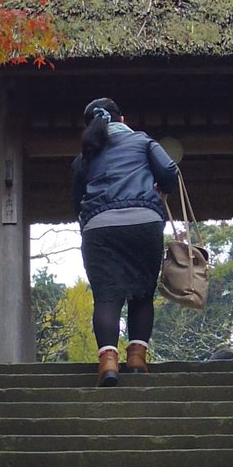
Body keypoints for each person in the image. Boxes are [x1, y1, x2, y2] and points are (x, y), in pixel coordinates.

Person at [72, 97, 181, 386]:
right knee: (142, 294)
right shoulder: (143, 142)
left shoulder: (86, 156)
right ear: (122, 119)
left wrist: (88, 223)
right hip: (144, 223)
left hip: (100, 228)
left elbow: (77, 198)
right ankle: (136, 359)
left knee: (106, 297)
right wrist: (161, 191)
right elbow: (170, 172)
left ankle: (108, 364)